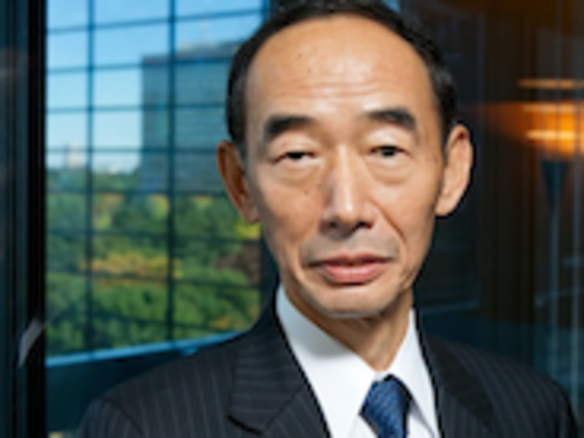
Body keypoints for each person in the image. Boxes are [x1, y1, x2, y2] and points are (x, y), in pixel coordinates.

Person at [80, 1, 578, 437]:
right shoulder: (143, 427)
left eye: (387, 150)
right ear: (240, 184)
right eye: (298, 155)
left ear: (452, 172)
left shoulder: (533, 411)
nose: (346, 209)